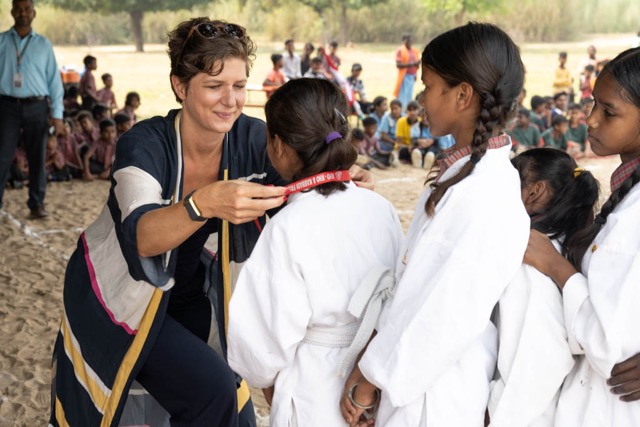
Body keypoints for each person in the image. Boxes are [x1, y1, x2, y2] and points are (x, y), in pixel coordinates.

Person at [49, 17, 371, 427]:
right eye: (214, 86)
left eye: (239, 86)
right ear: (180, 87)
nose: (230, 101)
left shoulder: (252, 139)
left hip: (197, 295)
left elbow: (308, 170)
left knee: (230, 400)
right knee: (214, 390)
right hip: (123, 298)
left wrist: (345, 174)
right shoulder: (146, 143)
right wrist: (202, 206)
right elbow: (141, 238)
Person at [340, 22, 529, 426]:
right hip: (420, 381)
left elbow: (444, 311)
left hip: (435, 396)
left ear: (462, 95)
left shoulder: (482, 191)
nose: (421, 98)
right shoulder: (467, 176)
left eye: (428, 86)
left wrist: (371, 377)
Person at [227, 77, 403, 427]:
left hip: (313, 390)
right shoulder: (380, 208)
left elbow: (260, 347)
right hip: (370, 381)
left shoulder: (288, 226)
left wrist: (267, 384)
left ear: (276, 145)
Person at [523, 46, 640, 427]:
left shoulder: (633, 217)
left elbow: (609, 344)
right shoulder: (626, 198)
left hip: (610, 405)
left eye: (609, 112)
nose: (590, 120)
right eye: (593, 104)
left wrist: (555, 266)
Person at [488, 148, 599, 426]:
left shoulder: (531, 266)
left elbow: (535, 366)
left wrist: (494, 417)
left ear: (534, 192)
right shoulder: (555, 248)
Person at [0, 0, 64, 219]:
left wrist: (57, 115)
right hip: (6, 106)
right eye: (18, 9)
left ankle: (36, 204)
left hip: (37, 106)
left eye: (27, 9)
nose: (23, 13)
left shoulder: (43, 44)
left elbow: (54, 81)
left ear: (34, 13)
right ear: (12, 12)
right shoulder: (1, 41)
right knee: (2, 156)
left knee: (37, 157)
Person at [393, 33, 420, 111]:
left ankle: (407, 111)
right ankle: (401, 112)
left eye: (411, 40)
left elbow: (416, 63)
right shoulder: (400, 50)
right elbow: (398, 64)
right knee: (402, 97)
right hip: (404, 77)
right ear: (404, 41)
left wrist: (416, 67)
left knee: (409, 97)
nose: (410, 42)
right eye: (408, 40)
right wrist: (412, 64)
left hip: (412, 76)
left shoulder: (414, 51)